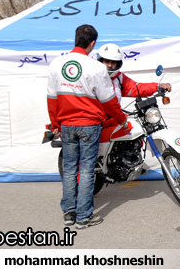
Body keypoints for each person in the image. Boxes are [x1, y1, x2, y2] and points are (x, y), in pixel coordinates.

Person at [47, 24, 129, 229]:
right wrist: (121, 119)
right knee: (86, 171)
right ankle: (83, 217)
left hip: (66, 125)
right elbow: (109, 100)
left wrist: (56, 123)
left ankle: (69, 213)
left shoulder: (57, 64)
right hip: (90, 126)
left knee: (69, 168)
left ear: (75, 39)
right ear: (93, 43)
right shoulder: (97, 68)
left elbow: (51, 98)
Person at [97, 43, 171, 130]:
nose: (109, 65)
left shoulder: (119, 78)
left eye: (113, 62)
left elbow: (135, 88)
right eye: (107, 62)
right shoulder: (93, 76)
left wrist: (158, 86)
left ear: (118, 64)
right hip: (96, 123)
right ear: (101, 61)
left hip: (114, 120)